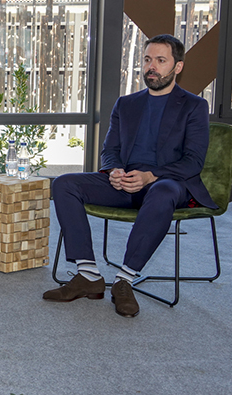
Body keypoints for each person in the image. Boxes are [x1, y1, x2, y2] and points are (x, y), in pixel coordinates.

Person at [44, 34, 216, 318]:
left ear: (178, 66)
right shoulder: (126, 104)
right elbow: (110, 149)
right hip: (125, 183)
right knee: (64, 183)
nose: (152, 67)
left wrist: (150, 176)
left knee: (163, 192)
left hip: (166, 184)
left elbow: (193, 161)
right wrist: (113, 171)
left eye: (161, 60)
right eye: (148, 59)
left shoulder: (194, 106)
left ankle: (124, 280)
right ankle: (87, 274)